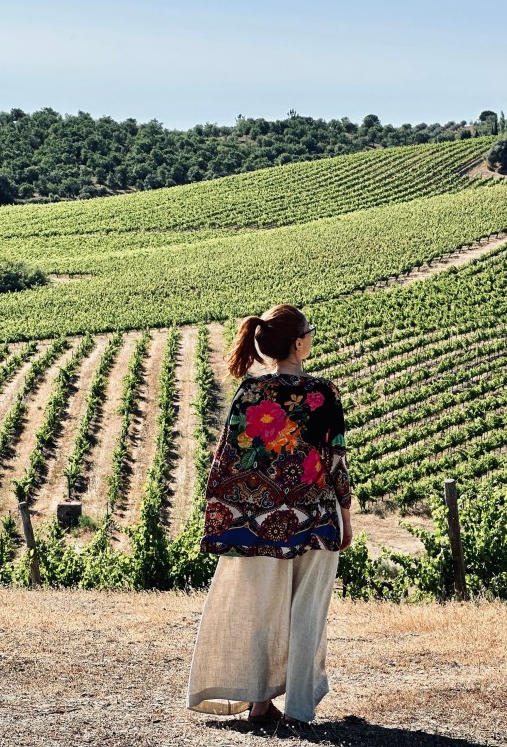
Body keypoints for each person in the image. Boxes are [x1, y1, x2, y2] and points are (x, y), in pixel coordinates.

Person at [185, 303, 353, 727]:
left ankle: (260, 704)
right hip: (313, 520)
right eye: (309, 332)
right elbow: (335, 461)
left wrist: (231, 517)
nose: (312, 337)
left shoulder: (249, 392)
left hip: (259, 523)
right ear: (298, 343)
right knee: (307, 611)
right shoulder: (322, 393)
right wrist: (346, 516)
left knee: (263, 610)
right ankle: (297, 708)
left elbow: (230, 459)